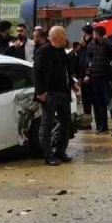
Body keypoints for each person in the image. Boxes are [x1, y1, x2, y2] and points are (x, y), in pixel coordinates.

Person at [34, 26, 73, 165]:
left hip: (63, 93)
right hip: (48, 94)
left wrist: (73, 84)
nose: (66, 37)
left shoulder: (62, 51)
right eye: (64, 35)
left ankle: (61, 152)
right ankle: (48, 155)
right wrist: (40, 92)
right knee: (47, 124)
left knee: (66, 122)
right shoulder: (43, 51)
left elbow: (67, 71)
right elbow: (37, 72)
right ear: (56, 37)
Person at [87, 25, 112, 134]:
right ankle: (102, 127)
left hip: (105, 77)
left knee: (110, 102)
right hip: (95, 77)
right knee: (99, 104)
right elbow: (88, 57)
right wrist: (88, 72)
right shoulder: (92, 44)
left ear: (98, 34)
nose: (93, 36)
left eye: (94, 34)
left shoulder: (108, 44)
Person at [78, 25, 95, 118]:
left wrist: (87, 74)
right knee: (87, 99)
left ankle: (89, 120)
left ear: (84, 32)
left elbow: (88, 60)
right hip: (85, 73)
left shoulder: (90, 44)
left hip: (88, 74)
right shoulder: (84, 44)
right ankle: (88, 120)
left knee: (87, 99)